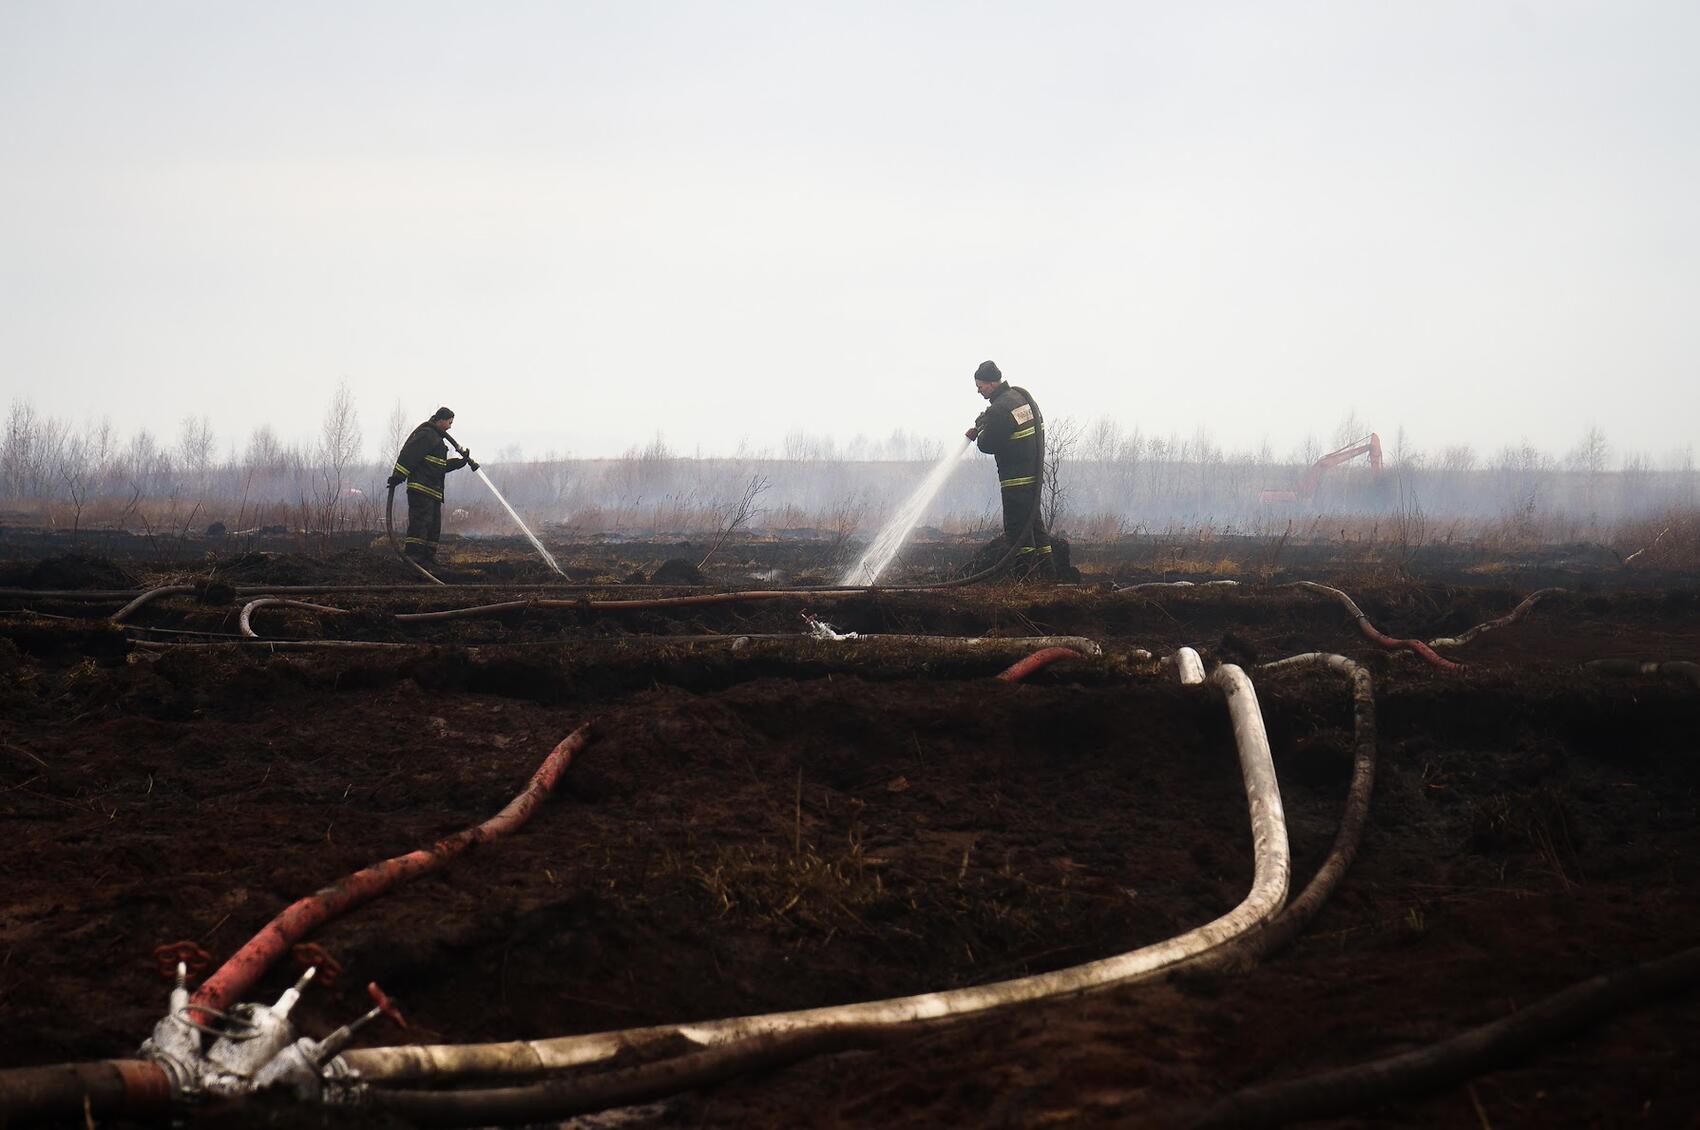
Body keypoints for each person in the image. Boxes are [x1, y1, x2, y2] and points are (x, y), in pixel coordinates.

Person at [964, 361, 1055, 579]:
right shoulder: (1020, 398)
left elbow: (986, 444)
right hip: (1033, 477)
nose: (978, 391)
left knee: (1017, 532)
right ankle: (1049, 576)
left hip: (1015, 481)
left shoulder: (1000, 409)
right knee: (1035, 526)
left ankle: (1024, 581)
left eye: (981, 386)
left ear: (992, 383)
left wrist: (983, 427)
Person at [387, 407, 476, 563]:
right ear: (440, 420)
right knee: (421, 523)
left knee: (434, 526)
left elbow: (439, 467)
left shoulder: (437, 440)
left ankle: (428, 557)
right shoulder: (427, 435)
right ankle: (414, 556)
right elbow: (409, 455)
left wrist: (460, 463)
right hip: (421, 489)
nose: (450, 427)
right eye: (449, 422)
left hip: (433, 491)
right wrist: (398, 476)